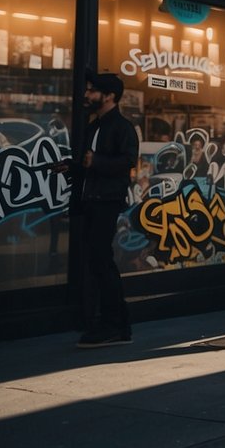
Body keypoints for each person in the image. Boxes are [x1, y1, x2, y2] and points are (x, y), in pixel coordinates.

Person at [55, 71, 139, 348]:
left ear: (109, 96)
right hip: (91, 200)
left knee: (101, 261)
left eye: (92, 91)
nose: (87, 95)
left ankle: (114, 325)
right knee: (97, 260)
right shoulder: (94, 126)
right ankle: (115, 324)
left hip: (107, 201)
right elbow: (92, 165)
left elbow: (127, 162)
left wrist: (96, 162)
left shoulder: (122, 127)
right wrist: (74, 166)